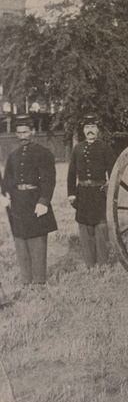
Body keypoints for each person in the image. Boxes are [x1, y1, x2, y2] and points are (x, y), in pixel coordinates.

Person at [1, 115, 57, 286]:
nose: (22, 136)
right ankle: (26, 280)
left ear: (32, 132)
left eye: (25, 132)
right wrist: (4, 194)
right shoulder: (13, 155)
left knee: (37, 241)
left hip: (35, 201)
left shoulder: (43, 153)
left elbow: (49, 179)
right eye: (19, 133)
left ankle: (39, 281)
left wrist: (44, 201)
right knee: (20, 241)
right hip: (17, 203)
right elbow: (8, 178)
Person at [67, 114, 116, 267]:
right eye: (87, 127)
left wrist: (110, 191)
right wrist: (71, 193)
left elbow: (113, 172)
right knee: (84, 227)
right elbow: (71, 173)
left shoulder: (105, 148)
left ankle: (102, 264)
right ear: (83, 130)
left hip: (99, 193)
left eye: (93, 127)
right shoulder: (77, 148)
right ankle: (89, 264)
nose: (90, 130)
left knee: (100, 228)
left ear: (98, 130)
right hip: (82, 193)